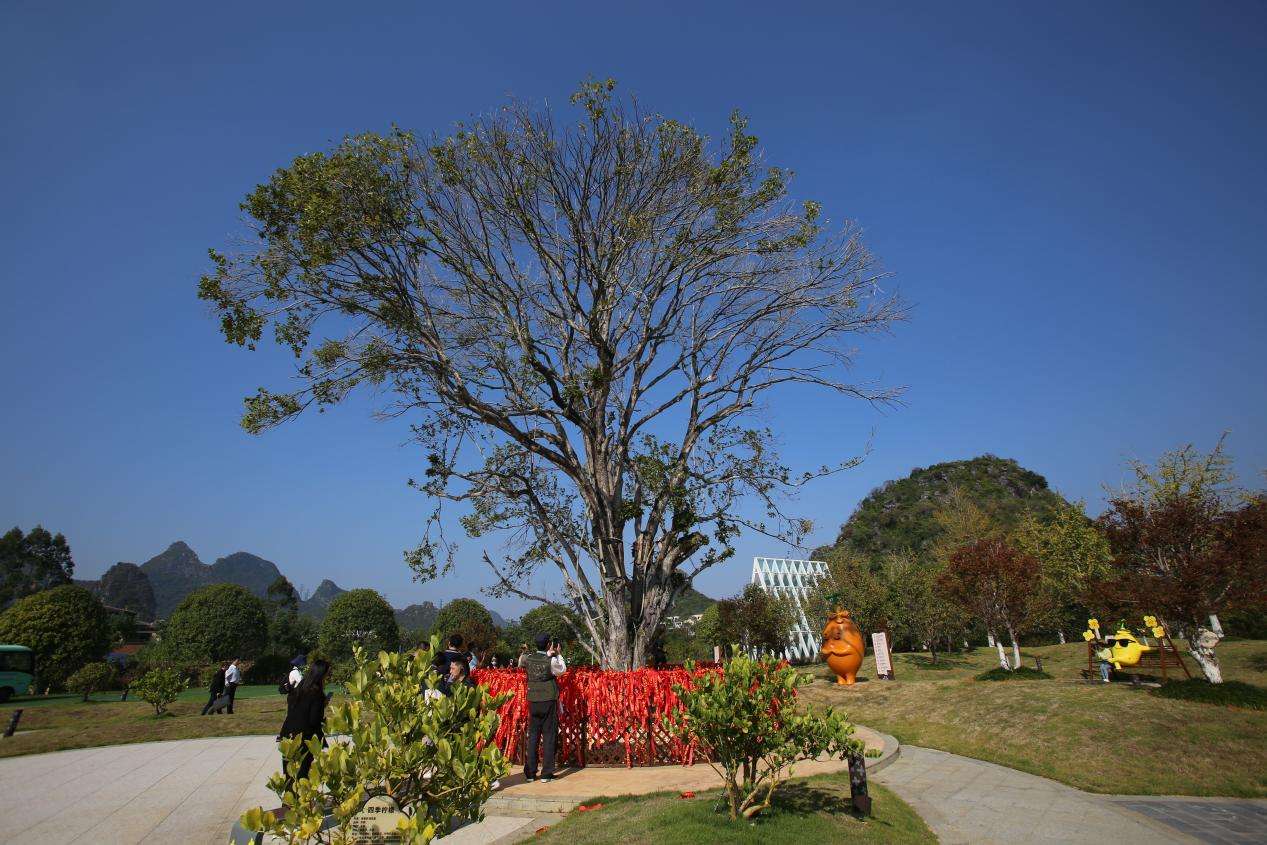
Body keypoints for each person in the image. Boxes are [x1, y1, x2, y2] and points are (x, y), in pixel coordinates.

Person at [279, 658, 330, 784]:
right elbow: (313, 720)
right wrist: (322, 708)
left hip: (287, 734)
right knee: (302, 775)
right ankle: (300, 802)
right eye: (328, 674)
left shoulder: (300, 688)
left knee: (290, 775)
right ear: (322, 675)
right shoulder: (316, 693)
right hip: (304, 738)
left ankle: (288, 802)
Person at [523, 633, 566, 783]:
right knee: (549, 735)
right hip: (548, 699)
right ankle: (546, 773)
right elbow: (561, 670)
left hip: (533, 700)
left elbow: (527, 661)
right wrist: (559, 654)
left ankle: (530, 773)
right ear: (549, 644)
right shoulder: (551, 660)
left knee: (533, 736)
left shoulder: (528, 659)